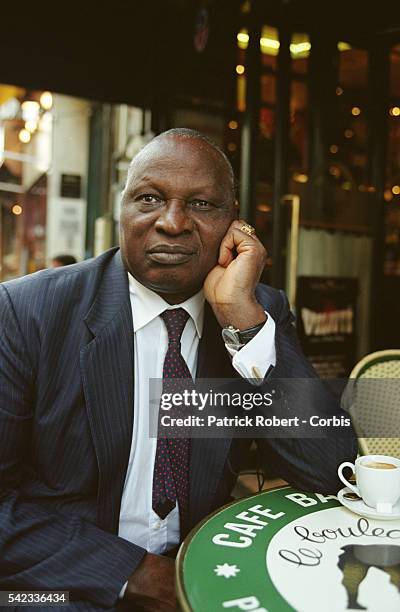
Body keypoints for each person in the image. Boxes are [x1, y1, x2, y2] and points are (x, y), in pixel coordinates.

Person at [0, 128, 357, 611]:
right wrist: (133, 573)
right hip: (59, 583)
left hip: (203, 575)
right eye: (149, 198)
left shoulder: (259, 311)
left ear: (236, 226)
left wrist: (244, 324)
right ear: (122, 210)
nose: (172, 222)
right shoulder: (29, 312)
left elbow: (332, 474)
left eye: (203, 205)